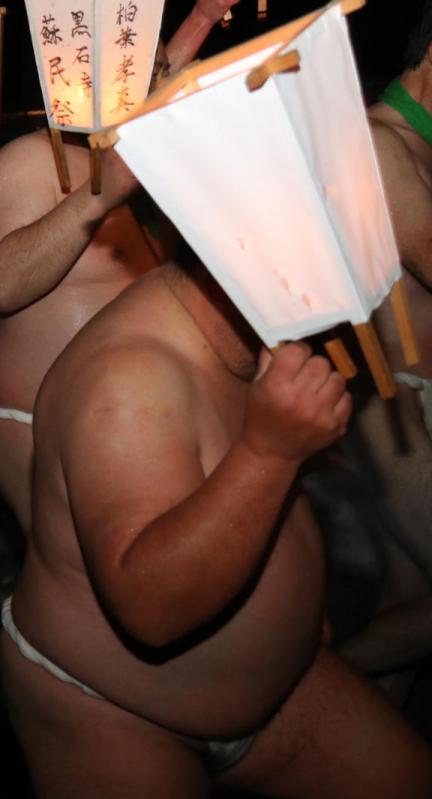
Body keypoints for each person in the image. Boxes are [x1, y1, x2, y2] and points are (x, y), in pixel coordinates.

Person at [1, 251, 432, 797]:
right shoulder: (127, 380)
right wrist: (271, 454)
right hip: (117, 713)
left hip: (280, 690)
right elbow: (150, 610)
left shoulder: (252, 331)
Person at [0, 0, 240, 532]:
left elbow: (155, 74)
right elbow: (1, 285)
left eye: (162, 70)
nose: (164, 82)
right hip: (34, 421)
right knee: (77, 586)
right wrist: (98, 198)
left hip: (123, 413)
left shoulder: (140, 160)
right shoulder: (30, 160)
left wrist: (204, 18)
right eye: (151, 71)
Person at [323, 1, 432, 700]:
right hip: (392, 402)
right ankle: (297, 693)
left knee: (409, 593)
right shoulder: (381, 144)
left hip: (409, 399)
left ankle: (353, 736)